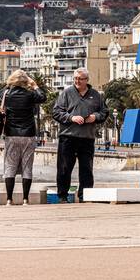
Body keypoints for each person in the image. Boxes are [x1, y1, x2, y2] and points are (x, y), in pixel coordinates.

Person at [52, 67, 108, 202]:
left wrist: (95, 117)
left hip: (87, 138)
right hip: (68, 137)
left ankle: (85, 196)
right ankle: (63, 196)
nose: (77, 81)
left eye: (80, 79)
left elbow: (104, 112)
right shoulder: (66, 93)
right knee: (64, 168)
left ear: (87, 80)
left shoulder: (96, 95)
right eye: (75, 78)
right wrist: (71, 118)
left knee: (86, 169)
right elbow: (56, 112)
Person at [0, 69, 45, 206]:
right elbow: (42, 97)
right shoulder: (30, 95)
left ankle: (9, 199)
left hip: (11, 134)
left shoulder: (6, 94)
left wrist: (9, 85)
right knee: (27, 167)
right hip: (28, 135)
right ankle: (25, 200)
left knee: (10, 167)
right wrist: (35, 85)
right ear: (26, 81)